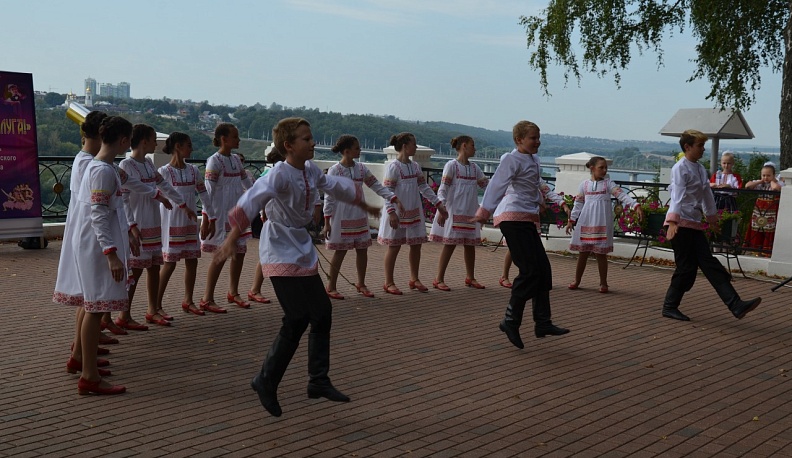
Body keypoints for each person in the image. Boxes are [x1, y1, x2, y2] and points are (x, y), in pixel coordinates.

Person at [214, 117, 380, 417]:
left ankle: (318, 380)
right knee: (297, 316)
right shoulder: (279, 174)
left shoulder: (311, 170)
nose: (313, 142)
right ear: (289, 145)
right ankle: (265, 380)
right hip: (278, 245)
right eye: (306, 138)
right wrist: (231, 239)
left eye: (311, 137)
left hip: (300, 245)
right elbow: (252, 200)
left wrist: (365, 205)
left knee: (322, 312)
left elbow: (334, 186)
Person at [54, 116, 136, 395]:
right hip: (98, 246)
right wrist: (111, 253)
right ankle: (89, 375)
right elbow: (98, 215)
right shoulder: (101, 170)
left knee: (92, 304)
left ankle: (84, 363)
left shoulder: (101, 167)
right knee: (96, 307)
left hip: (95, 243)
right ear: (123, 141)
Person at [472, 120, 570, 349]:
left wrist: (544, 201)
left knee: (543, 270)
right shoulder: (511, 159)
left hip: (526, 217)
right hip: (512, 217)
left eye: (538, 137)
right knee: (530, 271)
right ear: (519, 140)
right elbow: (497, 185)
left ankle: (542, 322)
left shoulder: (533, 160)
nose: (538, 142)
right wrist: (484, 211)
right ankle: (510, 320)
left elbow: (534, 185)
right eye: (533, 138)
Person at [661, 129, 761, 321]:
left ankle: (736, 305)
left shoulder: (700, 168)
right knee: (686, 268)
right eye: (700, 145)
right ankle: (669, 307)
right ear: (687, 147)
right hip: (680, 224)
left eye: (703, 145)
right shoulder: (680, 168)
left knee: (709, 263)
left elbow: (707, 195)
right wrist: (673, 221)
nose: (703, 149)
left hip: (694, 223)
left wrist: (712, 219)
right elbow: (677, 195)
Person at [116, 124, 196, 328]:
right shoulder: (126, 165)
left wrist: (182, 204)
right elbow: (124, 199)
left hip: (153, 220)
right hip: (139, 221)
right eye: (153, 140)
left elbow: (164, 185)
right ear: (144, 142)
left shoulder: (149, 164)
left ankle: (152, 309)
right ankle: (124, 314)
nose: (156, 144)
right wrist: (131, 225)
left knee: (153, 267)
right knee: (136, 270)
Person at [323, 135, 400, 299]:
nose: (360, 150)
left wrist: (392, 197)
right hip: (342, 215)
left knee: (362, 249)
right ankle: (331, 286)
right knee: (340, 251)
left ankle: (361, 283)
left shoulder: (361, 169)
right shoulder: (335, 170)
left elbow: (376, 185)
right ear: (346, 151)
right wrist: (327, 221)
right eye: (357, 148)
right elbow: (329, 197)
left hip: (359, 214)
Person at [377, 132, 448, 295]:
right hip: (398, 211)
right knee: (394, 246)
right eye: (413, 144)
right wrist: (391, 212)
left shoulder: (415, 166)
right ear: (404, 146)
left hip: (414, 211)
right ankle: (388, 282)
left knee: (416, 245)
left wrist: (438, 204)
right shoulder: (393, 167)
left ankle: (414, 278)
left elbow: (424, 187)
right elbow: (387, 191)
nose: (415, 147)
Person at [157, 132, 216, 317]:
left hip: (189, 221)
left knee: (192, 260)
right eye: (188, 145)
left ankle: (188, 300)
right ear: (178, 146)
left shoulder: (193, 170)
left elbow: (204, 194)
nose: (192, 149)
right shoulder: (164, 172)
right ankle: (155, 304)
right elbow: (156, 196)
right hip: (172, 220)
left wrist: (209, 218)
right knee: (170, 263)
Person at [565, 156, 642, 293]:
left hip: (601, 222)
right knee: (583, 253)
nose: (604, 170)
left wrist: (635, 205)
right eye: (601, 167)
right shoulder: (584, 185)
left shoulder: (608, 184)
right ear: (592, 168)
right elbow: (578, 204)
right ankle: (577, 280)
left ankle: (603, 283)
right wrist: (571, 220)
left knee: (601, 254)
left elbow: (622, 195)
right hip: (586, 221)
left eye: (606, 167)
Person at [200, 123, 254, 312]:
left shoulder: (236, 160)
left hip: (236, 213)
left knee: (240, 252)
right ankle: (207, 297)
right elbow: (208, 192)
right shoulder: (214, 161)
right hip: (220, 214)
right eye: (235, 136)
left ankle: (233, 292)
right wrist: (206, 218)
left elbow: (247, 183)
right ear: (224, 139)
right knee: (221, 254)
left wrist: (259, 196)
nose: (238, 140)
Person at [428, 135, 489, 291]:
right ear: (464, 146)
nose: (475, 149)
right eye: (472, 145)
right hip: (454, 211)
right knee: (450, 244)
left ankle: (470, 277)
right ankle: (439, 278)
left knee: (470, 245)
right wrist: (441, 208)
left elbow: (487, 186)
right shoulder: (452, 166)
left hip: (470, 211)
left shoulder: (475, 168)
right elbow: (443, 188)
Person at [743, 161, 784, 255]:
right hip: (759, 210)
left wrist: (772, 181)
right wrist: (760, 181)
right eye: (763, 175)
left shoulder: (777, 183)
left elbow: (776, 188)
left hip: (770, 211)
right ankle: (756, 249)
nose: (766, 177)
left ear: (773, 175)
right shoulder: (760, 183)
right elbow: (747, 185)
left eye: (768, 175)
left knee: (769, 229)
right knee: (757, 227)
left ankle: (767, 250)